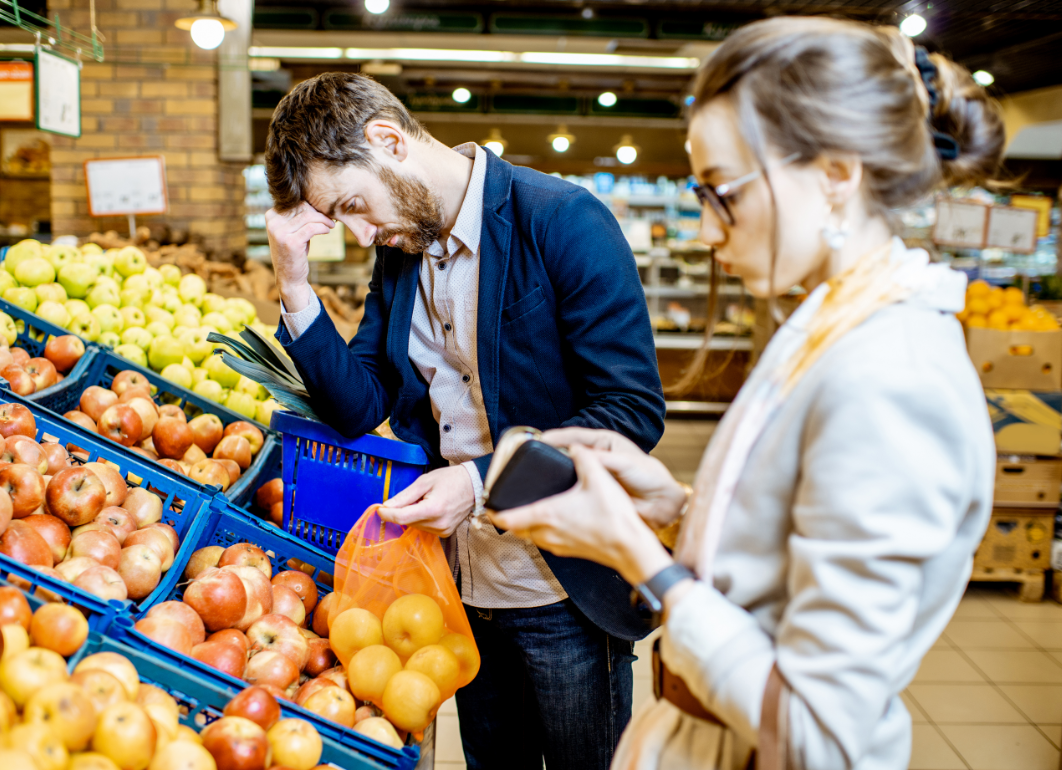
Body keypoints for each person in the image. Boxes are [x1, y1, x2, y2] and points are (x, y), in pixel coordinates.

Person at [488, 16, 1002, 770]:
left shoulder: (892, 376)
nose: (705, 228)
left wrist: (635, 555)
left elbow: (817, 734)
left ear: (835, 175)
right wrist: (673, 507)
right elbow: (796, 545)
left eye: (722, 192)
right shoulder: (833, 321)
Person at [261, 72, 666, 769]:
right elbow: (362, 403)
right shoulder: (400, 254)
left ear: (388, 141)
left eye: (354, 205)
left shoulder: (561, 220)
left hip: (560, 585)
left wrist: (477, 484)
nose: (361, 234)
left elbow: (630, 412)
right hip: (454, 589)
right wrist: (294, 287)